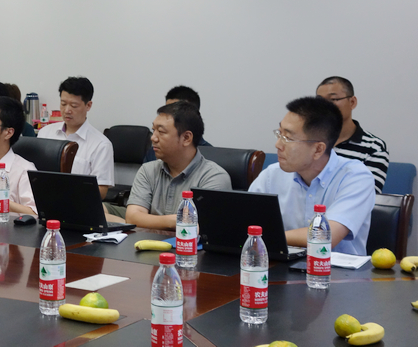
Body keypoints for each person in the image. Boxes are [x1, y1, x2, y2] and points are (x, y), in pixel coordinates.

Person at [249, 96, 375, 256]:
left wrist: (262, 236)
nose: (278, 145)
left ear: (318, 149)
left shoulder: (355, 177)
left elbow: (325, 236)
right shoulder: (271, 176)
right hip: (280, 267)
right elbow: (244, 222)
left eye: (287, 138)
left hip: (336, 270)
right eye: (279, 134)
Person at [107, 102, 231, 228]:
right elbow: (133, 217)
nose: (153, 138)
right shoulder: (148, 170)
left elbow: (199, 227)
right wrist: (175, 220)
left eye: (161, 131)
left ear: (186, 138)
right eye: (153, 130)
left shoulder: (214, 177)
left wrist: (150, 221)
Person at [37, 76, 114, 199]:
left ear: (88, 105)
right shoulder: (45, 133)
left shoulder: (101, 144)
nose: (67, 110)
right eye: (63, 104)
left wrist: (69, 192)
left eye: (74, 105)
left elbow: (101, 191)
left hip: (78, 203)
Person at [316, 76, 389, 194]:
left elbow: (367, 194)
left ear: (352, 102)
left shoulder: (374, 147)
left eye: (333, 99)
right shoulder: (307, 141)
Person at [144, 85, 211, 162]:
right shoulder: (154, 151)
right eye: (167, 109)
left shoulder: (211, 155)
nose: (153, 138)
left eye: (175, 110)